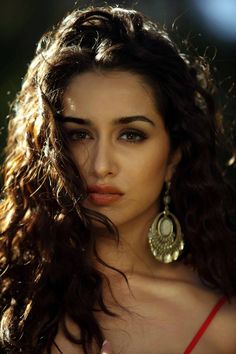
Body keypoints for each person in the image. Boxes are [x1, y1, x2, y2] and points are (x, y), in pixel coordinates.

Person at [0, 4, 236, 354]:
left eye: (131, 135)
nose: (101, 165)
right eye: (79, 135)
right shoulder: (11, 291)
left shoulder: (224, 326)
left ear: (174, 156)